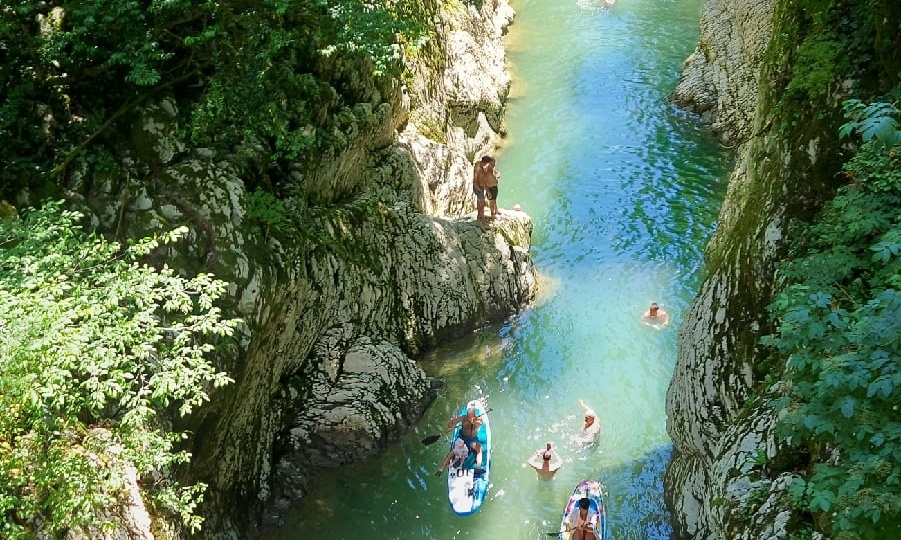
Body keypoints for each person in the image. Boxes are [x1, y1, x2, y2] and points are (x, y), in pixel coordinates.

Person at [472, 156, 500, 221]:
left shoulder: (481, 166)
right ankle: (483, 220)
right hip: (480, 187)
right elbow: (476, 179)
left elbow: (482, 179)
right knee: (482, 204)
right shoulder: (481, 168)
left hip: (482, 187)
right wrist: (479, 187)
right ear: (486, 162)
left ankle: (480, 216)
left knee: (481, 202)